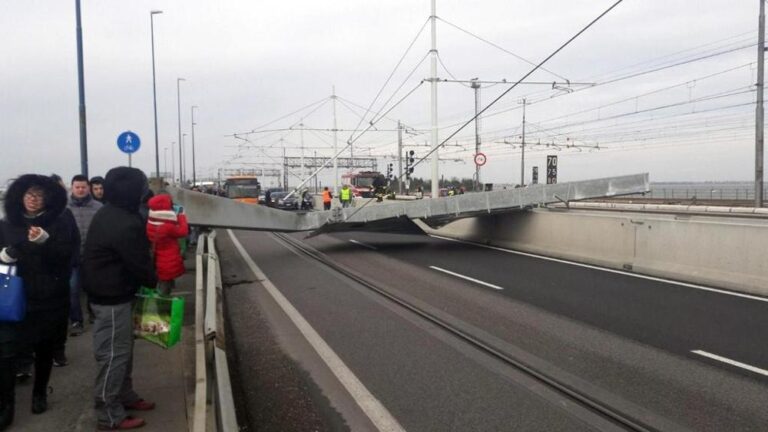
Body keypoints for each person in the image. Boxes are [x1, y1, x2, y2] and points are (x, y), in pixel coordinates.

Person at [82, 167, 158, 431]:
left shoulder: (112, 213)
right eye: (141, 187)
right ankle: (108, 414)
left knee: (123, 352)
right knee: (114, 355)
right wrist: (153, 280)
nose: (144, 192)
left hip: (116, 294)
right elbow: (139, 262)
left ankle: (125, 396)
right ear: (131, 190)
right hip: (111, 299)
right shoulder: (124, 222)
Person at [0, 174, 78, 429]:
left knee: (44, 348)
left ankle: (40, 392)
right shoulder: (6, 224)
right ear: (19, 196)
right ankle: (6, 403)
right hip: (13, 297)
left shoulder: (60, 221)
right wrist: (4, 256)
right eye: (29, 194)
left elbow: (69, 256)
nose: (34, 200)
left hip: (48, 296)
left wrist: (46, 243)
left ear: (49, 198)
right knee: (8, 352)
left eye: (40, 195)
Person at [65, 175, 102, 337]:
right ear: (72, 188)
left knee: (93, 287)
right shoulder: (64, 208)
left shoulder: (98, 207)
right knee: (72, 289)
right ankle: (76, 320)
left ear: (88, 188)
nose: (80, 190)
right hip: (72, 256)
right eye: (77, 187)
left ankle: (94, 314)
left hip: (92, 255)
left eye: (83, 187)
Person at [146, 194, 189, 296]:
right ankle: (162, 308)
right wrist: (181, 215)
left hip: (158, 260)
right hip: (168, 261)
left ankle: (161, 305)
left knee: (162, 284)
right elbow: (183, 231)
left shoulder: (151, 222)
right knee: (165, 290)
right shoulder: (167, 227)